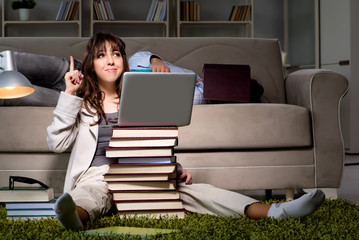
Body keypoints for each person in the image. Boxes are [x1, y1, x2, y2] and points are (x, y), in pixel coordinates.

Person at [47, 32, 325, 230]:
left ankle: (275, 212)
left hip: (141, 173)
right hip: (99, 174)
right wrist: (69, 95)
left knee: (200, 192)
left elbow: (153, 142)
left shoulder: (144, 95)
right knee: (92, 194)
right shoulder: (82, 103)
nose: (110, 60)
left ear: (124, 61)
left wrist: (173, 166)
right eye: (101, 55)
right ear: (91, 65)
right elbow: (57, 144)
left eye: (116, 54)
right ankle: (76, 216)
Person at [0, 49, 203, 106]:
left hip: (87, 99)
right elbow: (137, 57)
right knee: (11, 60)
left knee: (15, 94)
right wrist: (156, 61)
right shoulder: (189, 74)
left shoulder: (198, 100)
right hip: (78, 69)